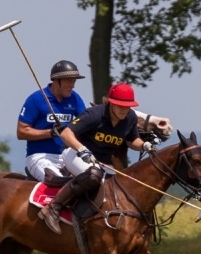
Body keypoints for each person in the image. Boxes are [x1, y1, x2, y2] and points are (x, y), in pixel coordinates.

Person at [39, 82, 156, 234]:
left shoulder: (130, 118)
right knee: (94, 176)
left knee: (120, 188)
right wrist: (82, 149)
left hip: (104, 162)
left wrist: (144, 145)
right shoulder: (94, 114)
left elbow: (132, 140)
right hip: (75, 153)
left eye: (127, 106)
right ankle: (53, 208)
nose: (123, 109)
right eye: (120, 105)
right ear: (111, 103)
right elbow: (66, 134)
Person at [17, 60, 87, 181]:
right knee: (59, 182)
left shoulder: (75, 99)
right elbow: (21, 132)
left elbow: (86, 124)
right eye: (69, 81)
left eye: (74, 81)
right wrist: (51, 132)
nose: (73, 85)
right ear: (56, 81)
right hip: (39, 157)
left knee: (93, 177)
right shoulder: (36, 99)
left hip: (68, 156)